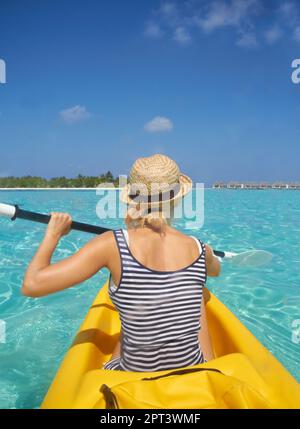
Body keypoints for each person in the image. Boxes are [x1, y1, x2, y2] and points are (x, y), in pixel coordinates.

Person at [22, 154, 221, 372]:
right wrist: (207, 255)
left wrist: (53, 234)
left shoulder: (112, 244)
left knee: (133, 307)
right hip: (193, 368)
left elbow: (32, 285)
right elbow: (215, 271)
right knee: (199, 291)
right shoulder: (199, 247)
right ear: (177, 198)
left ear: (134, 198)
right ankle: (207, 365)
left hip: (134, 374)